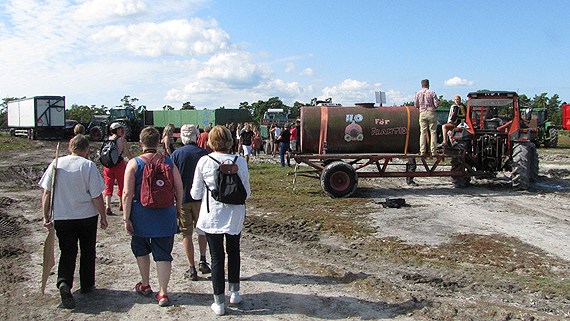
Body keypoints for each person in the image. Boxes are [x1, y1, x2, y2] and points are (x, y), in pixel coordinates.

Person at [38, 134, 108, 309]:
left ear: (70, 147)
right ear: (86, 150)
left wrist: (45, 215)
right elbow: (96, 195)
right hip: (86, 216)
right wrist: (103, 216)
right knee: (87, 249)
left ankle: (64, 282)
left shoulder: (56, 164)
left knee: (67, 251)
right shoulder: (88, 165)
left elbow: (47, 192)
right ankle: (87, 284)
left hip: (62, 216)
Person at [190, 125, 251, 316]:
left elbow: (195, 192)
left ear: (210, 141)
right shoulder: (240, 161)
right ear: (230, 140)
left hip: (213, 216)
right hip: (235, 215)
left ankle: (219, 302)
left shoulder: (204, 161)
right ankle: (235, 292)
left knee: (216, 257)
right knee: (234, 252)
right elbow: (246, 192)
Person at [122, 126, 183, 307]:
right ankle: (163, 293)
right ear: (158, 142)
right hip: (165, 214)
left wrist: (126, 218)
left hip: (140, 214)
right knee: (163, 253)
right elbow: (179, 187)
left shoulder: (134, 163)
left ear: (141, 143)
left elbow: (126, 192)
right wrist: (178, 209)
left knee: (141, 249)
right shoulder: (169, 162)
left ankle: (145, 284)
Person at [171, 124, 211, 281]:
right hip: (201, 199)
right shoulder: (204, 153)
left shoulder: (176, 154)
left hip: (183, 199)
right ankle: (203, 259)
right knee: (202, 231)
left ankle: (191, 267)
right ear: (196, 135)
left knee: (186, 233)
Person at [103, 122, 133, 216]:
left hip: (108, 165)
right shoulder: (122, 140)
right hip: (119, 165)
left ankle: (108, 206)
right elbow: (127, 154)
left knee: (108, 185)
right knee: (122, 185)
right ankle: (121, 204)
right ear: (118, 130)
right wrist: (134, 161)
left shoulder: (107, 139)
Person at [414, 79, 440, 156]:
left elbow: (416, 105)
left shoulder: (418, 93)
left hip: (422, 113)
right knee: (433, 132)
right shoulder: (432, 92)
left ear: (421, 85)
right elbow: (436, 104)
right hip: (431, 113)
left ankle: (422, 151)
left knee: (423, 132)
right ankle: (433, 150)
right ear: (428, 85)